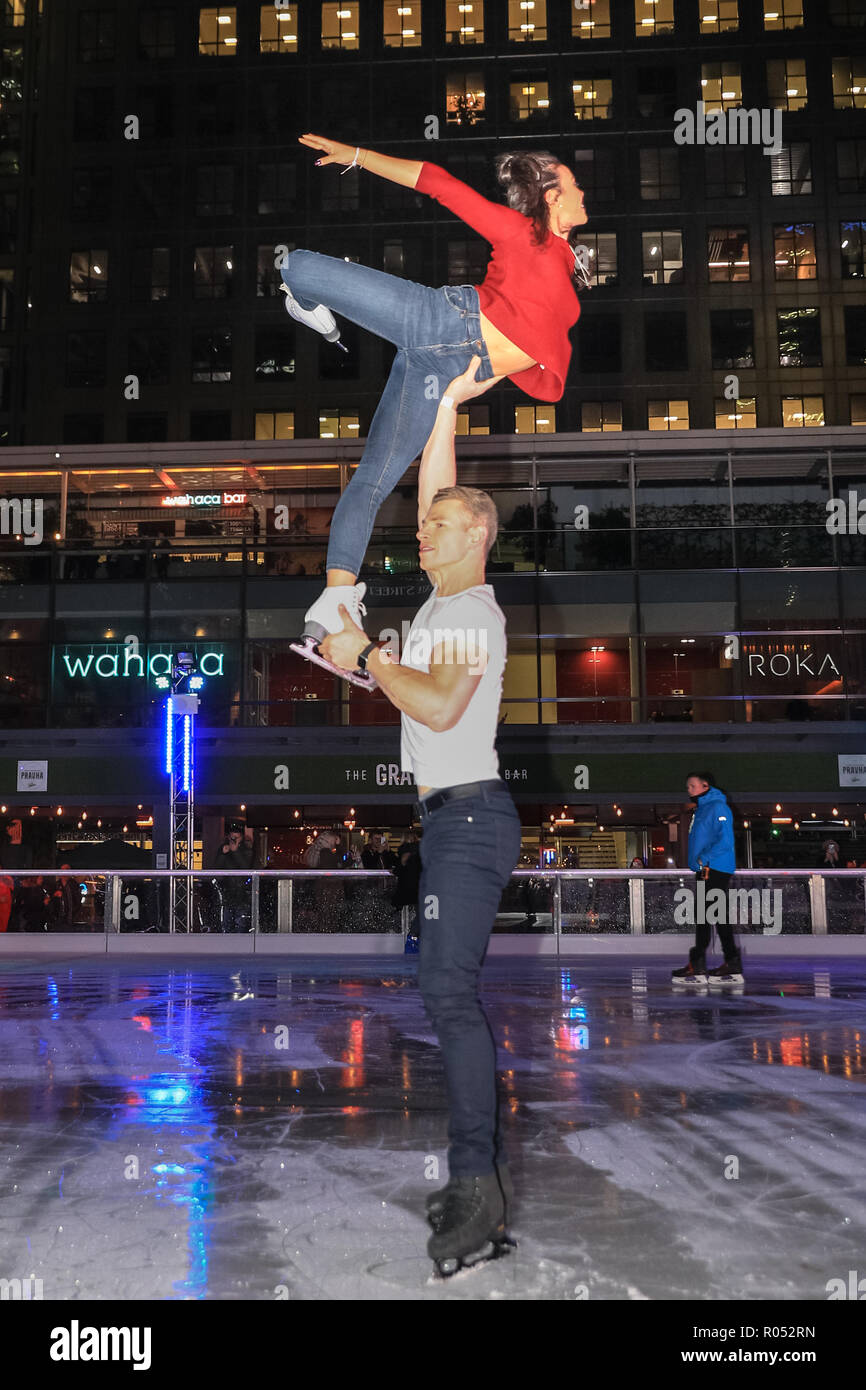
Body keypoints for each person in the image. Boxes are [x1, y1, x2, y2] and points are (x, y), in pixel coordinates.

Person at [320, 357, 520, 1278]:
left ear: (473, 538)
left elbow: (437, 709)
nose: (419, 525)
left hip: (471, 821)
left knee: (448, 993)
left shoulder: (472, 612)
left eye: (437, 523)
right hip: (454, 820)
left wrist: (364, 653)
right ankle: (475, 1175)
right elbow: (440, 484)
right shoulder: (445, 598)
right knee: (446, 993)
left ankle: (479, 1186)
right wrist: (440, 407)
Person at [284, 133, 587, 682]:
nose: (582, 190)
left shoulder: (566, 270)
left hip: (441, 369)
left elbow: (544, 372)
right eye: (573, 183)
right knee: (300, 267)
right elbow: (438, 183)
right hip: (441, 321)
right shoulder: (524, 234)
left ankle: (334, 605)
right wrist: (358, 156)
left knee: (373, 480)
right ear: (551, 198)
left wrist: (468, 386)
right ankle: (309, 310)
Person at [672, 773, 742, 987]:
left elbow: (726, 841)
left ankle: (699, 964)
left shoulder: (718, 808)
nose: (689, 790)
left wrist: (704, 858)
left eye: (692, 786)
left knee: (704, 916)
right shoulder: (702, 809)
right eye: (688, 787)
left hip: (714, 869)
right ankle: (730, 963)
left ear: (705, 786)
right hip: (708, 869)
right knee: (715, 916)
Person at [211, 823, 254, 933]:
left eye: (236, 838)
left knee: (241, 924)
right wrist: (222, 854)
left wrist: (236, 852)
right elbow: (217, 869)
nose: (234, 840)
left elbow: (246, 867)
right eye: (232, 837)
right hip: (226, 894)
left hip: (242, 894)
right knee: (226, 924)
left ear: (242, 838)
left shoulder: (247, 849)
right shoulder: (224, 849)